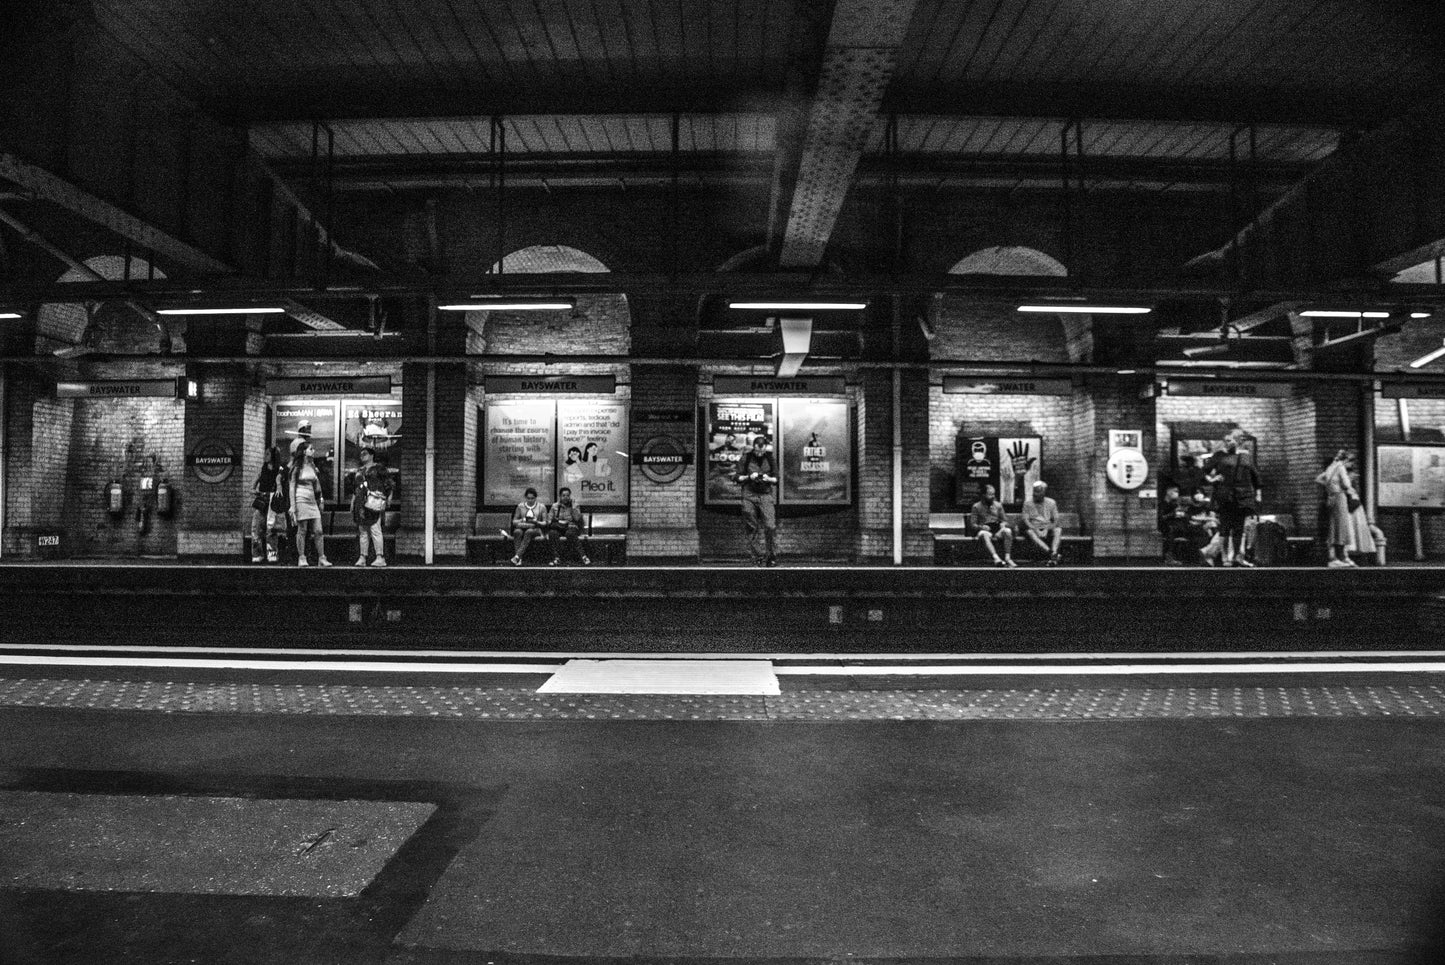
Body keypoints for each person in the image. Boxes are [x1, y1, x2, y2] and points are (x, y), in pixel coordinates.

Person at [1204, 430, 1261, 567]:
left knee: (1238, 528)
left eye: (1231, 440)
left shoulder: (1246, 457)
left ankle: (1237, 557)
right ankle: (1225, 558)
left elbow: (1256, 477)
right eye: (1226, 441)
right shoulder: (1219, 456)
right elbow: (1204, 471)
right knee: (1225, 528)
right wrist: (1212, 479)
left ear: (1238, 441)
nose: (1228, 443)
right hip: (1225, 495)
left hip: (1242, 496)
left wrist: (1258, 495)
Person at [735, 434, 778, 566]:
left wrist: (767, 478)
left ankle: (771, 556)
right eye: (757, 451)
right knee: (751, 526)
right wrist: (749, 477)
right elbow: (737, 478)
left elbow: (776, 479)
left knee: (770, 526)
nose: (759, 453)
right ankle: (757, 556)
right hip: (749, 494)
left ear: (765, 448)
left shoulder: (770, 459)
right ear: (753, 447)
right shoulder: (746, 458)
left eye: (762, 451)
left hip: (765, 494)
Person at [289, 440, 330, 567]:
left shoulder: (312, 466)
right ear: (304, 451)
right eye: (311, 449)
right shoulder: (297, 467)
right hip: (301, 499)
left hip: (312, 501)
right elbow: (292, 486)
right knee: (302, 529)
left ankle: (322, 557)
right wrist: (293, 505)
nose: (314, 451)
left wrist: (321, 500)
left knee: (318, 530)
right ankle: (302, 557)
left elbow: (318, 486)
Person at [350, 447, 392, 567]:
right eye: (361, 454)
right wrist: (353, 502)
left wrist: (388, 499)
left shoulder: (379, 468)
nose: (362, 456)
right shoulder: (360, 470)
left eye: (365, 454)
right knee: (363, 530)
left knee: (375, 528)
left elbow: (389, 484)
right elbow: (355, 488)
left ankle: (380, 556)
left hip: (373, 501)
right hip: (360, 502)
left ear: (372, 455)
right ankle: (363, 556)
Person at [1316, 449, 1357, 568]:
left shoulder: (1330, 467)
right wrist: (1347, 483)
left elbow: (1319, 478)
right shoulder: (1340, 467)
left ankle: (1334, 555)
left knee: (1334, 526)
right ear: (1346, 460)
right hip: (1340, 497)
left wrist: (1330, 487)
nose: (1351, 465)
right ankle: (1341, 556)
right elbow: (1346, 484)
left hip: (1331, 497)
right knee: (1342, 527)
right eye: (1350, 462)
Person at [249, 445, 286, 563]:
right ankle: (257, 554)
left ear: (274, 456)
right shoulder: (262, 470)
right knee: (257, 527)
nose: (265, 456)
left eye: (268, 454)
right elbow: (252, 487)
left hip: (273, 499)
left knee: (272, 528)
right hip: (263, 498)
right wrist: (257, 492)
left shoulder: (280, 470)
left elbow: (281, 484)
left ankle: (272, 554)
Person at [970, 484, 1015, 567]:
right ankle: (996, 558)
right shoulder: (976, 506)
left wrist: (1003, 524)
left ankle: (1007, 558)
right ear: (983, 495)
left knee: (1007, 531)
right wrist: (981, 527)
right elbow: (973, 525)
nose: (993, 496)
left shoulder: (998, 505)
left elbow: (1005, 520)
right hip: (985, 530)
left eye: (993, 494)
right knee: (984, 534)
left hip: (997, 530)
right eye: (990, 494)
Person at [1020, 480, 1062, 566]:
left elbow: (1056, 519)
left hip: (1047, 527)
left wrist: (1048, 528)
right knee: (1030, 532)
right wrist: (1035, 529)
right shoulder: (1027, 503)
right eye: (1034, 491)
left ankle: (1053, 553)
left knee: (1058, 530)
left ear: (1044, 492)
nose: (1035, 494)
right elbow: (1026, 520)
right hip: (1033, 527)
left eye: (1038, 491)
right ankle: (1052, 554)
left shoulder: (1051, 502)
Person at [547, 485, 589, 566]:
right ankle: (557, 557)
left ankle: (583, 556)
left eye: (567, 495)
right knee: (552, 533)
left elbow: (577, 519)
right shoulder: (555, 506)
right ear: (560, 496)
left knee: (570, 534)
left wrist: (573, 507)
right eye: (563, 495)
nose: (566, 497)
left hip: (571, 527)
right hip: (559, 527)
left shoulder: (575, 505)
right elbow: (549, 520)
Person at [510, 487, 547, 565]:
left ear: (535, 498)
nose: (530, 500)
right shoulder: (520, 506)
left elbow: (545, 523)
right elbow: (514, 521)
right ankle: (518, 559)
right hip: (523, 527)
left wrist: (536, 521)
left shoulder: (541, 507)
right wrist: (523, 519)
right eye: (528, 498)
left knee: (529, 531)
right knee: (517, 532)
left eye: (532, 498)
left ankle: (517, 556)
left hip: (536, 529)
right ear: (525, 498)